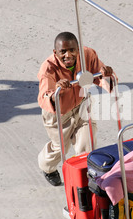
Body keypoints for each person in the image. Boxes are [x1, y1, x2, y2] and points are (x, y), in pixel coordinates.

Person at [37, 31, 114, 186]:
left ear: (78, 49)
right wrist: (56, 91)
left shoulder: (87, 55)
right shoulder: (48, 68)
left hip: (81, 105)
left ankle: (86, 180)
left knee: (87, 144)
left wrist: (106, 76)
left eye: (72, 50)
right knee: (60, 148)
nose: (68, 55)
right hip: (59, 113)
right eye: (62, 52)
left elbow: (100, 74)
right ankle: (47, 168)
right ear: (55, 52)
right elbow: (45, 94)